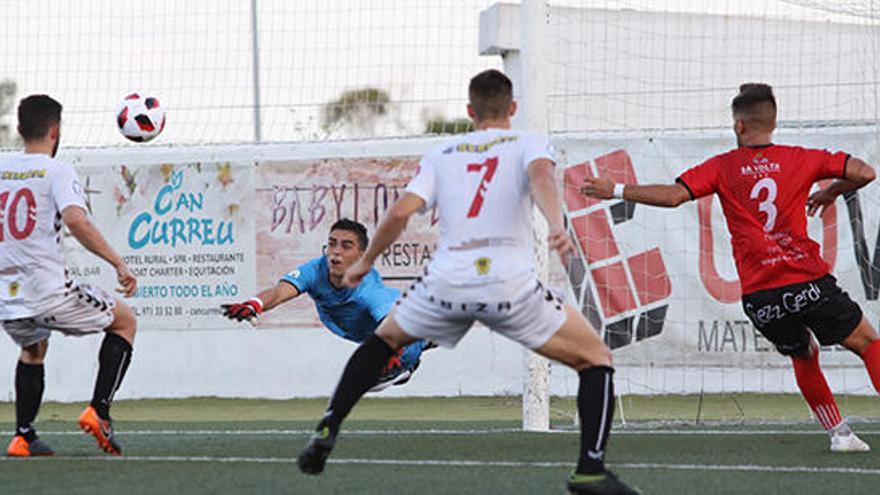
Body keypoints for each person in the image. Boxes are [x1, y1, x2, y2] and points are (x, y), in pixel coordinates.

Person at [296, 69, 638, 495]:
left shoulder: (444, 152)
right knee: (596, 358)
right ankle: (590, 469)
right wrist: (555, 223)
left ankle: (330, 425)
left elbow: (401, 212)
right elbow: (541, 178)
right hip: (506, 283)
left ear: (469, 111)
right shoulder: (527, 142)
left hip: (448, 281)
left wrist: (367, 261)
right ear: (512, 108)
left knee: (383, 340)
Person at [582, 83, 880, 452]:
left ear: (739, 126)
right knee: (868, 343)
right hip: (809, 282)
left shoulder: (723, 166)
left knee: (804, 353)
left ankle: (840, 434)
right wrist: (831, 191)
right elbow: (865, 172)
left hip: (760, 295)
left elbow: (674, 196)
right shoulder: (802, 156)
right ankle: (841, 435)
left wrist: (615, 190)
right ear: (772, 121)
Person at [2, 95, 138, 457]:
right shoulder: (56, 170)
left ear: (19, 129)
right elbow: (76, 220)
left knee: (34, 348)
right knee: (124, 321)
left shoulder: (1, 166)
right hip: (49, 292)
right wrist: (118, 263)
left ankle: (23, 436)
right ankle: (100, 411)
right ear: (55, 130)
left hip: (7, 297)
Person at [221, 218, 430, 391]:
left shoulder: (369, 290)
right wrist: (254, 304)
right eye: (332, 243)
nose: (335, 252)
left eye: (346, 245)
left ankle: (415, 354)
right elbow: (279, 292)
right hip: (361, 331)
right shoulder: (315, 270)